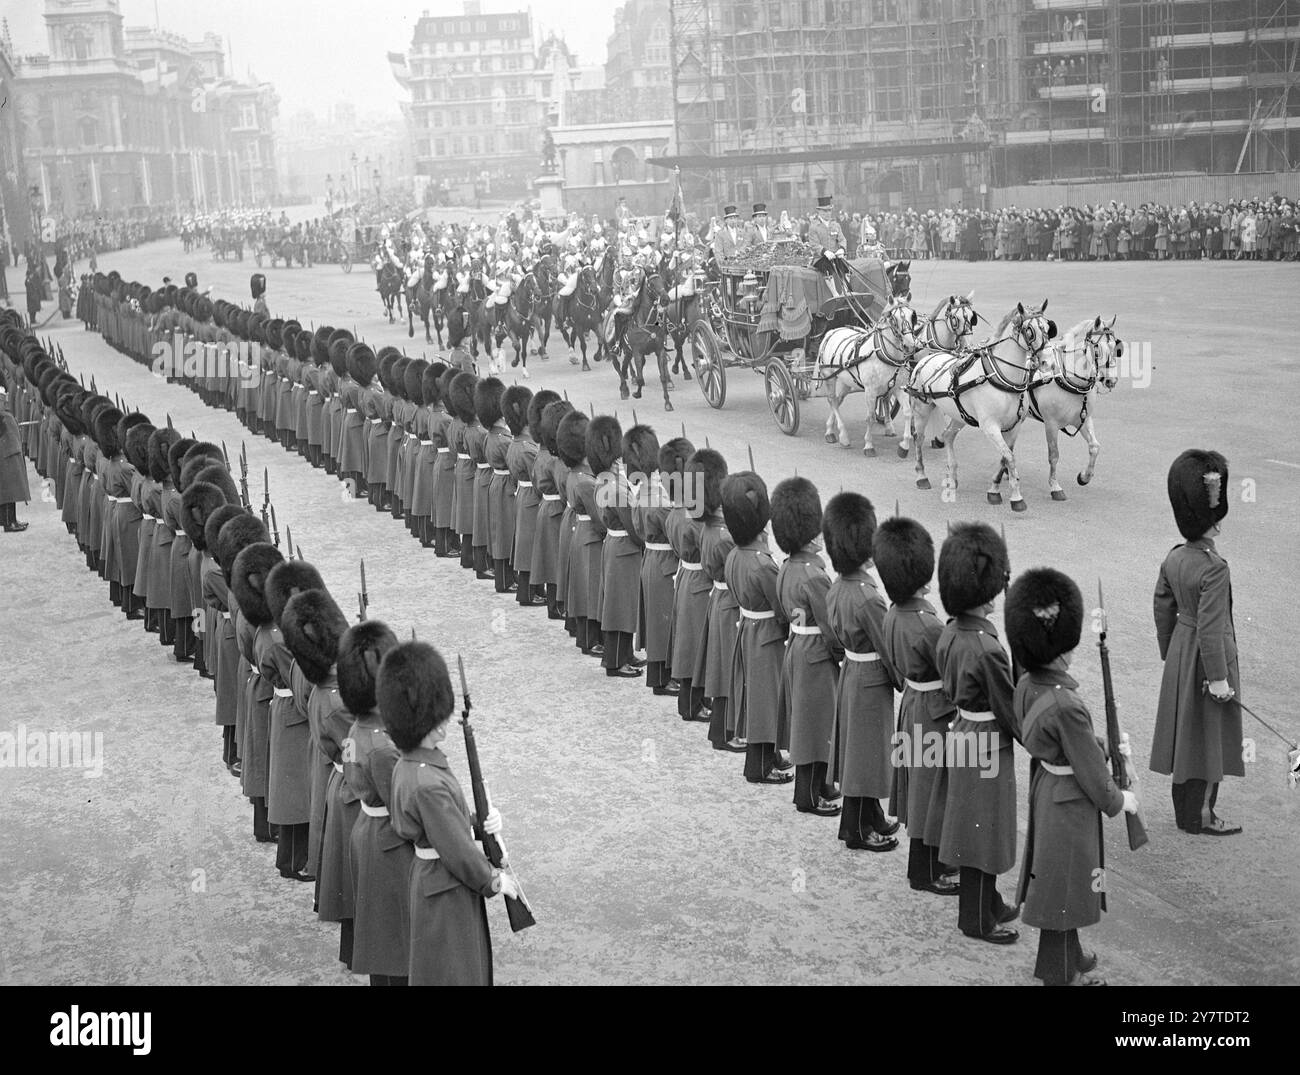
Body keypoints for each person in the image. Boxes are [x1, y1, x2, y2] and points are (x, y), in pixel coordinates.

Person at [1007, 567, 1139, 986]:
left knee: (1061, 882)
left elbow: (1064, 742)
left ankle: (1066, 957)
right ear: (1061, 648)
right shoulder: (1068, 704)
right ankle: (1061, 977)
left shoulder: (1028, 683)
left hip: (1049, 787)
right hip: (1070, 798)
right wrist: (1122, 800)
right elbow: (1090, 770)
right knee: (1065, 886)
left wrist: (1100, 742)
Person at [383, 641, 515, 987]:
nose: (444, 726)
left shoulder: (412, 763)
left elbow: (447, 821)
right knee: (456, 972)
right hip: (447, 887)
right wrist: (496, 880)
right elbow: (457, 849)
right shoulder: (426, 779)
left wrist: (480, 822)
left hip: (432, 879)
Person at [936, 522, 1020, 944]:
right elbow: (1010, 708)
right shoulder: (986, 647)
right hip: (987, 739)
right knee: (983, 828)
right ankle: (976, 919)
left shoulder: (953, 630)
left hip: (963, 731)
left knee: (976, 825)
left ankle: (987, 902)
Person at [1151, 449, 1243, 836]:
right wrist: (1219, 677)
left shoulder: (1174, 558)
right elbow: (1211, 627)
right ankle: (1202, 817)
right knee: (1208, 740)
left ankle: (1184, 813)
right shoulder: (1214, 568)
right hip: (1209, 660)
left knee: (1185, 739)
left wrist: (1170, 653)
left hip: (1181, 653)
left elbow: (1161, 607)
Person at [875, 515, 959, 891]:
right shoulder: (929, 624)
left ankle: (923, 865)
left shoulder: (893, 613)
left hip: (911, 703)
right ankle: (928, 871)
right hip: (934, 712)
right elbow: (952, 673)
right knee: (931, 789)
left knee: (919, 786)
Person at [821, 493, 900, 850]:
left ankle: (873, 816)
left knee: (859, 750)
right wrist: (900, 678)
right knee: (866, 755)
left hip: (852, 670)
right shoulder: (869, 596)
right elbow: (887, 645)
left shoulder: (837, 587)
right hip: (870, 678)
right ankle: (854, 829)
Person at [341, 619, 410, 985]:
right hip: (390, 843)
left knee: (380, 929)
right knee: (395, 936)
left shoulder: (360, 728)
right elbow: (407, 808)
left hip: (368, 831)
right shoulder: (383, 746)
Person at [772, 477, 840, 816]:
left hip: (797, 645)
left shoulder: (787, 567)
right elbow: (830, 623)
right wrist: (840, 652)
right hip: (815, 651)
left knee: (809, 721)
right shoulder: (815, 574)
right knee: (815, 725)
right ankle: (809, 796)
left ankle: (820, 785)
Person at [723, 470, 791, 784]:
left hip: (747, 628)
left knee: (757, 697)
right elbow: (782, 607)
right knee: (766, 700)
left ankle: (769, 755)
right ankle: (760, 766)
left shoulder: (736, 555)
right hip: (766, 636)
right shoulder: (763, 564)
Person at [0, 385, 30, 531]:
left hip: (7, 453)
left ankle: (10, 520)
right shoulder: (3, 416)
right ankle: (8, 522)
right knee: (8, 491)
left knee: (9, 491)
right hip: (6, 455)